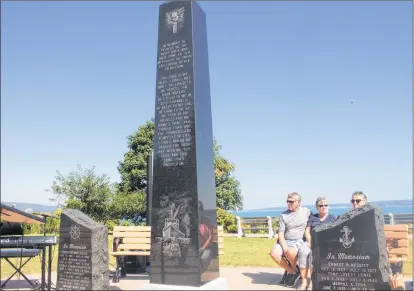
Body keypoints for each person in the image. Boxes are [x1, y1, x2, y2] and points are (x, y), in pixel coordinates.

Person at [269, 192, 311, 288]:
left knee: (291, 252)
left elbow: (315, 220)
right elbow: (281, 234)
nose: (288, 203)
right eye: (287, 201)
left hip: (298, 240)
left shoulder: (306, 212)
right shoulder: (283, 215)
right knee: (273, 253)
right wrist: (284, 247)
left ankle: (294, 271)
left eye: (291, 201)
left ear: (298, 202)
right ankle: (294, 271)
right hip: (285, 240)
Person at [297, 197, 336, 290]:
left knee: (312, 255)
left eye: (325, 205)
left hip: (325, 244)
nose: (323, 207)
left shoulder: (332, 218)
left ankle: (311, 283)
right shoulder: (313, 217)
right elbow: (307, 231)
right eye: (321, 205)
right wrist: (310, 241)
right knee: (302, 252)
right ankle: (304, 282)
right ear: (317, 207)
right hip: (311, 241)